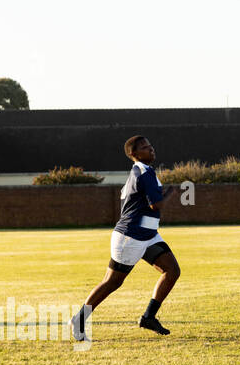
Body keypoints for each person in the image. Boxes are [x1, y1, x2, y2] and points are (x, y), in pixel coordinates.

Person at [71, 135, 181, 340]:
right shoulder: (143, 172)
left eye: (150, 145)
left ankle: (148, 317)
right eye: (145, 147)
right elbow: (156, 205)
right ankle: (79, 318)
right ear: (134, 154)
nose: (151, 148)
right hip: (131, 237)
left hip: (147, 235)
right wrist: (171, 193)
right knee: (112, 282)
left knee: (172, 270)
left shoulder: (143, 172)